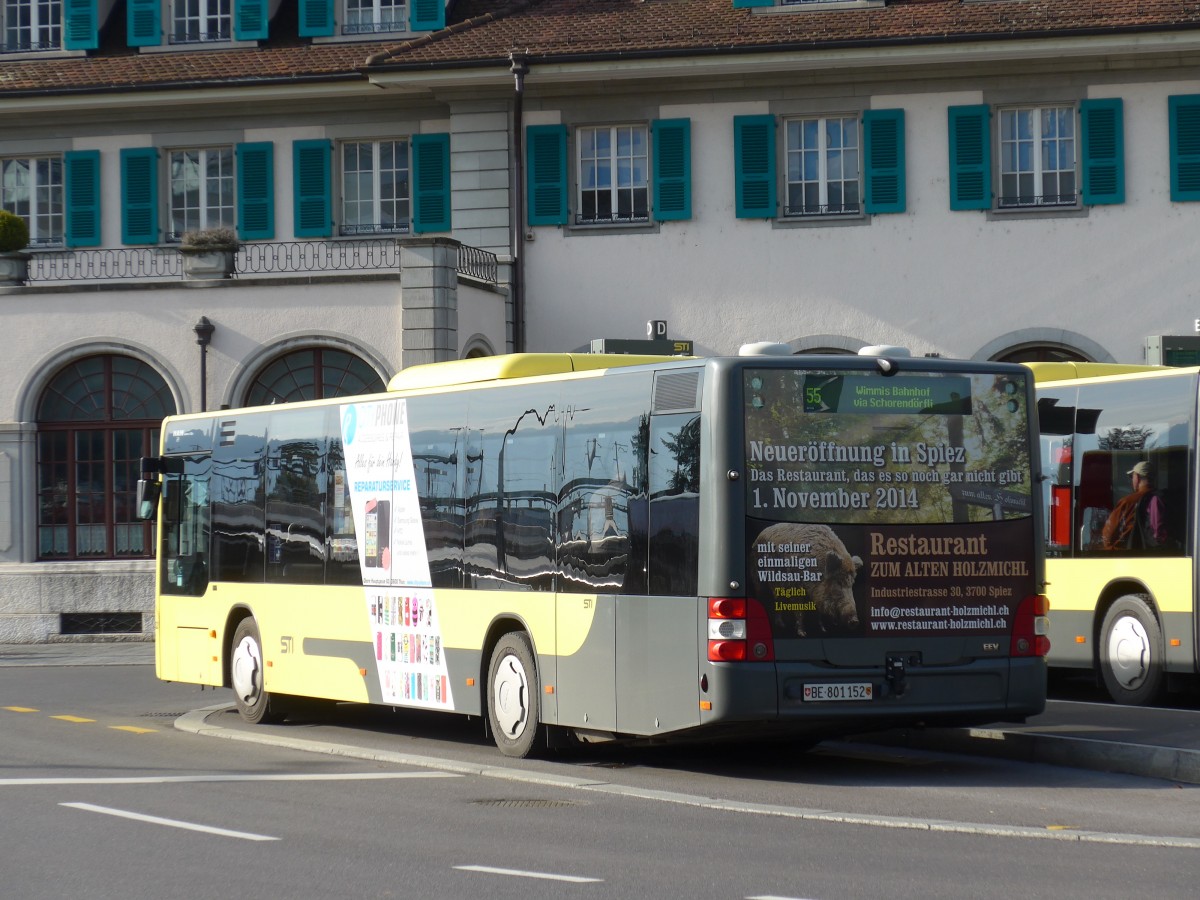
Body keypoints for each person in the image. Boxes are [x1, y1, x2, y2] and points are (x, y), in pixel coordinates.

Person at [1101, 461, 1167, 551]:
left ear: (1137, 477)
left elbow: (1108, 535)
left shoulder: (1128, 501)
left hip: (1127, 555)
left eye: (1132, 476)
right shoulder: (1162, 498)